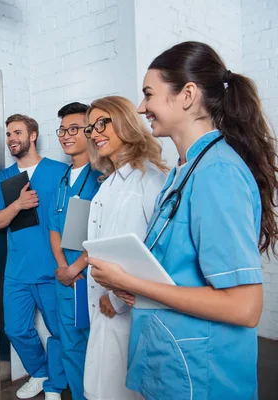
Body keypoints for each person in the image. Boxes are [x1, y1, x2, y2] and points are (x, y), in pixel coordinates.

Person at [89, 41, 278, 400]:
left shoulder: (217, 173)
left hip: (203, 373)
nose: (142, 107)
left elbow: (245, 307)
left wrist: (134, 283)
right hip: (172, 359)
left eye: (149, 94)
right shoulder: (185, 171)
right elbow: (181, 270)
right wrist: (133, 285)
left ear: (188, 95)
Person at [82, 96, 168, 400]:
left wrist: (118, 299)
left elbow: (159, 254)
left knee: (125, 389)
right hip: (104, 303)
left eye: (103, 123)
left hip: (128, 306)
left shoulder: (150, 180)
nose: (94, 133)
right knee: (103, 387)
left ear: (126, 122)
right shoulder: (108, 183)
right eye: (91, 127)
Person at [0, 114, 68, 399]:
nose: (12, 139)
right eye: (8, 134)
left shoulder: (60, 172)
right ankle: (39, 372)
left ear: (32, 135)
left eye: (17, 133)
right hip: (17, 271)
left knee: (60, 331)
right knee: (16, 329)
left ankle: (55, 385)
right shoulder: (5, 178)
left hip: (53, 268)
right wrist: (18, 205)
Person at [49, 102, 102, 400]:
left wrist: (76, 267)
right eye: (62, 130)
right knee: (70, 345)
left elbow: (103, 231)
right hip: (65, 277)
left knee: (95, 347)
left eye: (73, 129)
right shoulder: (61, 178)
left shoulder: (100, 176)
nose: (66, 136)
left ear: (90, 131)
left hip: (87, 276)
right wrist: (62, 267)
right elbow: (53, 227)